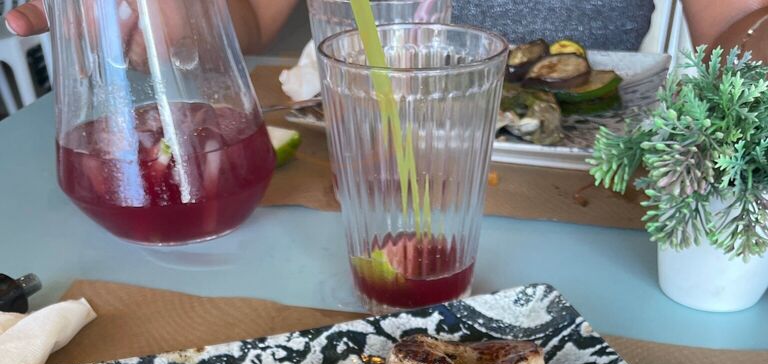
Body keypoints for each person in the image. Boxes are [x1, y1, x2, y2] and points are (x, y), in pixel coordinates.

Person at [5, 0, 768, 59]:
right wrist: (181, 14)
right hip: (349, 188)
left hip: (597, 191)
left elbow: (736, 27)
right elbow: (247, 20)